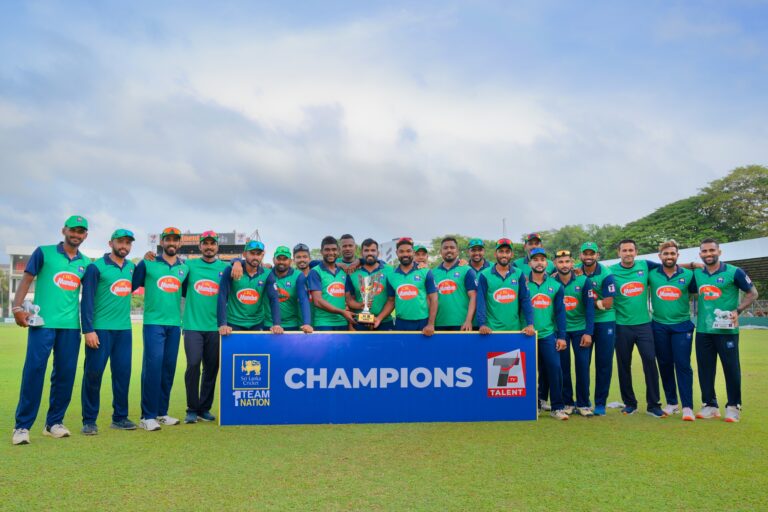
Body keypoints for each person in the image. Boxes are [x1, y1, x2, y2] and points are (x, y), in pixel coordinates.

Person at [12, 215, 90, 445]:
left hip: (71, 327)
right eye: (73, 230)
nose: (76, 235)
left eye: (81, 231)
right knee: (34, 371)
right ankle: (22, 426)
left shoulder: (86, 263)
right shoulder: (43, 252)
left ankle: (54, 423)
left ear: (85, 235)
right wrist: (17, 307)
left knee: (65, 374)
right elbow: (27, 279)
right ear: (64, 230)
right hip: (43, 324)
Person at [693, 238, 759, 422]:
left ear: (719, 252)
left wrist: (737, 310)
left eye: (712, 250)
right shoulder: (697, 274)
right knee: (705, 369)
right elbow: (674, 270)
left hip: (727, 331)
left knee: (731, 368)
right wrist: (690, 264)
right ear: (700, 254)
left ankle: (733, 406)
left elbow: (753, 293)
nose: (708, 254)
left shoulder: (734, 272)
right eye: (704, 251)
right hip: (703, 330)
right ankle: (709, 405)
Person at [79, 228, 137, 435]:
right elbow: (87, 300)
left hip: (124, 331)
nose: (124, 246)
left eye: (128, 243)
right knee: (93, 374)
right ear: (111, 243)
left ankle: (120, 418)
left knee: (122, 375)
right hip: (100, 330)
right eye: (120, 242)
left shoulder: (132, 268)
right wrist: (88, 330)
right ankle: (89, 421)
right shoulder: (96, 267)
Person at [131, 227, 189, 431]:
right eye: (168, 239)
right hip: (153, 323)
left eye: (175, 240)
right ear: (162, 242)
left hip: (174, 324)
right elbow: (129, 285)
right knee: (153, 367)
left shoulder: (184, 268)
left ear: (179, 243)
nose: (171, 243)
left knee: (168, 368)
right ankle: (147, 416)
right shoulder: (148, 263)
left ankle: (162, 413)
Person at [610, 239, 666, 418]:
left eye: (631, 250)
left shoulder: (645, 265)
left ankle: (653, 405)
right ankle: (630, 404)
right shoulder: (610, 271)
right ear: (619, 253)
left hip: (644, 325)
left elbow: (668, 267)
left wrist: (693, 265)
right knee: (623, 365)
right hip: (621, 326)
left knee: (650, 361)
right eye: (624, 250)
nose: (628, 253)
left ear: (636, 252)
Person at [180, 231, 231, 424]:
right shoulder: (189, 265)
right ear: (200, 246)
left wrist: (236, 261)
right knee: (193, 364)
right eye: (206, 243)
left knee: (211, 368)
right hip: (192, 325)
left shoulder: (224, 268)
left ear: (217, 247)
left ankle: (204, 408)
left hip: (216, 327)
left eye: (212, 244)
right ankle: (192, 408)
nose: (209, 247)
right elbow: (175, 278)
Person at [648, 240, 697, 421]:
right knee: (665, 364)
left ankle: (687, 407)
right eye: (666, 254)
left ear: (677, 255)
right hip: (659, 326)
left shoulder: (689, 275)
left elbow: (700, 294)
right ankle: (672, 403)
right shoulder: (651, 274)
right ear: (660, 256)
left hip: (682, 326)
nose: (669, 257)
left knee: (683, 365)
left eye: (672, 254)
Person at [526, 248, 568, 421]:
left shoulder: (556, 285)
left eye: (542, 259)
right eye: (535, 259)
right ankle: (533, 406)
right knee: (529, 371)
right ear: (530, 263)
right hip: (526, 335)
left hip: (548, 334)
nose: (539, 262)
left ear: (547, 263)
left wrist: (562, 336)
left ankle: (557, 407)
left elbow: (560, 313)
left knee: (555, 368)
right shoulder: (522, 284)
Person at [552, 249, 595, 417]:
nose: (564, 265)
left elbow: (590, 308)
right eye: (560, 262)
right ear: (555, 264)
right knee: (563, 368)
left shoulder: (583, 281)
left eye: (567, 261)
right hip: (560, 332)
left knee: (583, 367)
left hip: (580, 330)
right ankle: (567, 403)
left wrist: (588, 332)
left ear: (572, 263)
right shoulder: (551, 282)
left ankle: (583, 404)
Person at [579, 242, 617, 416]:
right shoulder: (575, 271)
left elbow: (607, 304)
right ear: (580, 255)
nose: (588, 256)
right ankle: (583, 401)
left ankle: (600, 403)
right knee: (583, 363)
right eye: (585, 253)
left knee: (603, 364)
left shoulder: (606, 274)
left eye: (591, 253)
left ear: (597, 255)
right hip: (584, 323)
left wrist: (586, 303)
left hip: (604, 322)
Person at [375, 237, 438, 335]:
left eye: (408, 251)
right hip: (401, 323)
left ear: (413, 252)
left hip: (422, 322)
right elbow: (391, 301)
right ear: (397, 253)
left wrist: (431, 324)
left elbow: (434, 299)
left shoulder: (425, 272)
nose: (405, 254)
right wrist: (379, 318)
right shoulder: (391, 275)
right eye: (401, 251)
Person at [218, 240, 280, 333]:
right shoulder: (231, 270)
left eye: (258, 254)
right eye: (252, 253)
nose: (255, 257)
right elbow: (222, 296)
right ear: (244, 254)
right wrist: (222, 324)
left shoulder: (267, 274)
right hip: (234, 323)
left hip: (257, 323)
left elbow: (274, 299)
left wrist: (277, 324)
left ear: (262, 255)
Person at [476, 238, 534, 334]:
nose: (504, 255)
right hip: (491, 330)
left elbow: (525, 299)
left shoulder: (518, 273)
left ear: (512, 254)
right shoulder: (485, 275)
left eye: (507, 252)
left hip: (514, 329)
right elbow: (481, 301)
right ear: (495, 254)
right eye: (501, 251)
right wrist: (482, 324)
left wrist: (530, 324)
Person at [307, 236, 357, 331]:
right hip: (323, 323)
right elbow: (318, 301)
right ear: (321, 252)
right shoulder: (315, 272)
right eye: (327, 250)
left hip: (342, 322)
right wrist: (342, 312)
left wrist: (363, 305)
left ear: (338, 251)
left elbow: (349, 300)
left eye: (334, 249)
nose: (331, 253)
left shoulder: (343, 273)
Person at [345, 239, 394, 330]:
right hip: (359, 322)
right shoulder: (353, 273)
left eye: (373, 250)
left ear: (378, 253)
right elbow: (349, 300)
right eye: (366, 250)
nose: (370, 253)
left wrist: (379, 319)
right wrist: (360, 305)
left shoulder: (389, 271)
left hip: (384, 321)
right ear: (361, 253)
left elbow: (391, 300)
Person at [264, 246, 312, 333]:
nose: (281, 262)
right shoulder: (266, 273)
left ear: (290, 261)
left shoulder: (298, 275)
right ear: (273, 260)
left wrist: (307, 323)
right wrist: (238, 262)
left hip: (291, 324)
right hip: (269, 324)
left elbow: (303, 299)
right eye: (279, 259)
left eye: (285, 259)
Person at [433, 237, 477, 331]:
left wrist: (468, 320)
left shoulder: (467, 270)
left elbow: (473, 296)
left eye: (452, 247)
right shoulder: (433, 273)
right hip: (438, 323)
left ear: (457, 251)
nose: (449, 250)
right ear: (441, 252)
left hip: (462, 324)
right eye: (445, 248)